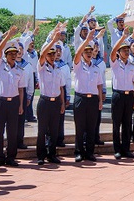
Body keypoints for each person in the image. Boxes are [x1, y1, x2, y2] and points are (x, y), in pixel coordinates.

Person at [0, 26, 26, 167]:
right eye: (10, 53)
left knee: (12, 131)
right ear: (6, 55)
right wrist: (8, 36)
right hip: (0, 102)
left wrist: (21, 105)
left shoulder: (20, 70)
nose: (13, 55)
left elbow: (21, 89)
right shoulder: (0, 65)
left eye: (15, 53)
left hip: (14, 102)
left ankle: (11, 157)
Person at [36, 24, 67, 165]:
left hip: (55, 102)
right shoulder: (42, 67)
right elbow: (42, 55)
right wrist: (53, 40)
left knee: (54, 130)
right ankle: (40, 156)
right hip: (44, 102)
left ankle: (51, 154)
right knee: (42, 130)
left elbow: (61, 88)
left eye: (54, 54)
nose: (52, 56)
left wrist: (62, 103)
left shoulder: (58, 69)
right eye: (50, 54)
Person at [72, 28, 104, 162]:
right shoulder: (78, 66)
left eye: (90, 51)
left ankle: (90, 152)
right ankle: (79, 152)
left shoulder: (96, 68)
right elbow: (76, 54)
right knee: (80, 127)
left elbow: (99, 85)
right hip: (81, 98)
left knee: (91, 127)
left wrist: (100, 100)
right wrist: (87, 40)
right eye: (86, 52)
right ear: (83, 54)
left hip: (93, 100)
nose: (89, 53)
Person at [109, 25, 134, 160]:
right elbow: (112, 52)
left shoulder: (132, 66)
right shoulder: (115, 63)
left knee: (127, 123)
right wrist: (123, 38)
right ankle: (117, 150)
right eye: (124, 50)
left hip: (129, 97)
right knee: (117, 124)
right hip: (118, 96)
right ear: (119, 52)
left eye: (128, 50)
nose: (126, 52)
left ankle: (126, 149)